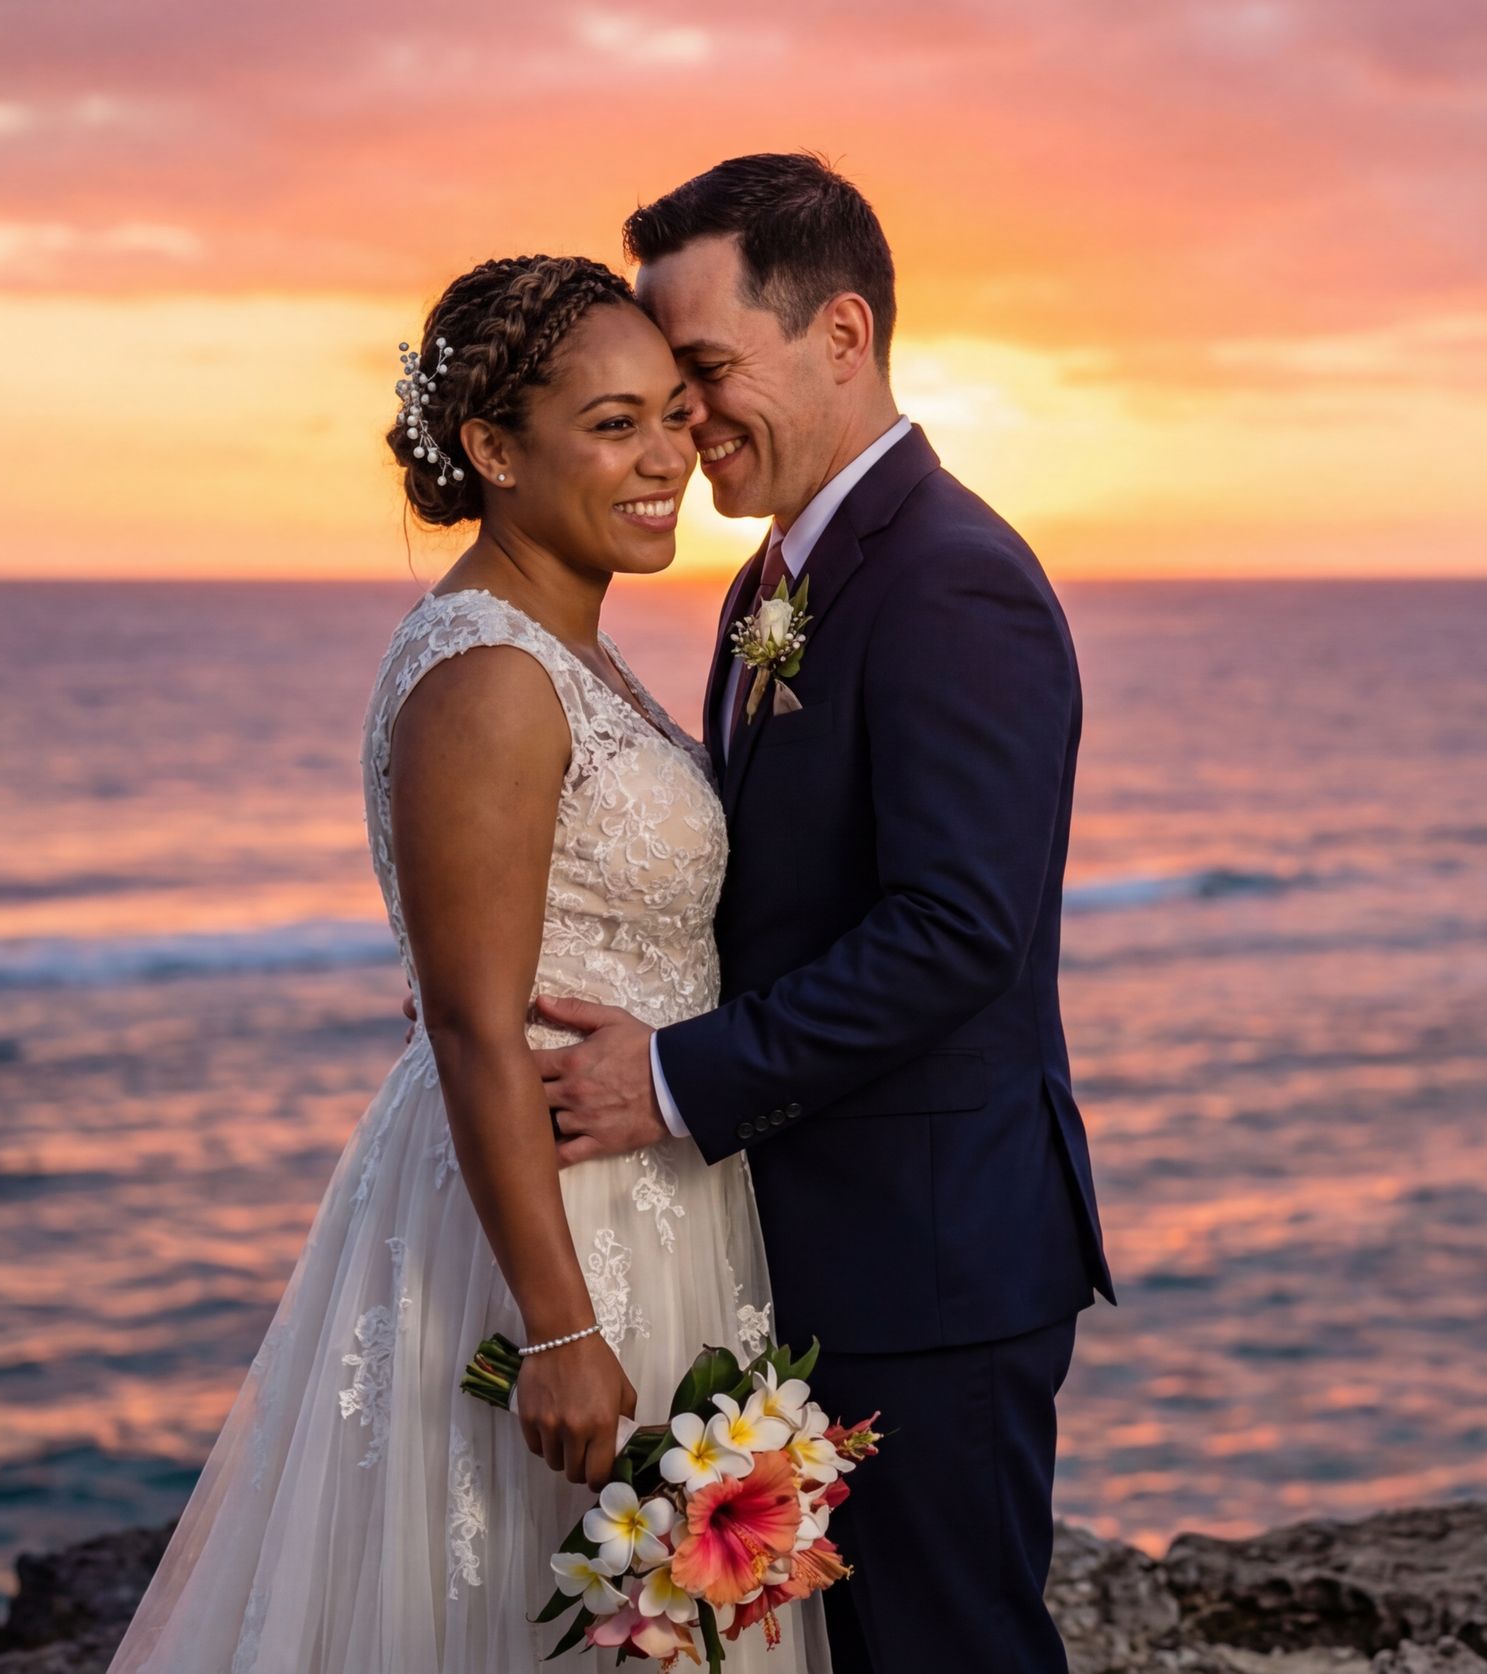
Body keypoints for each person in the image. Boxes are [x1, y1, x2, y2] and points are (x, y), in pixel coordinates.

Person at [109, 254, 823, 1671]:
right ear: (494, 450)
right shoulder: (490, 671)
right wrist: (559, 1327)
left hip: (651, 1193)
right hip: (548, 1228)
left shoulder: (576, 650)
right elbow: (469, 1021)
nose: (665, 457)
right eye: (615, 424)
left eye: (675, 416)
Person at [527, 154, 1115, 1674]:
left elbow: (954, 930)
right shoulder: (769, 583)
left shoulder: (951, 582)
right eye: (662, 387)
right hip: (811, 1243)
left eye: (707, 372)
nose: (684, 423)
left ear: (840, 335)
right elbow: (773, 892)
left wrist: (665, 1078)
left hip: (932, 1263)